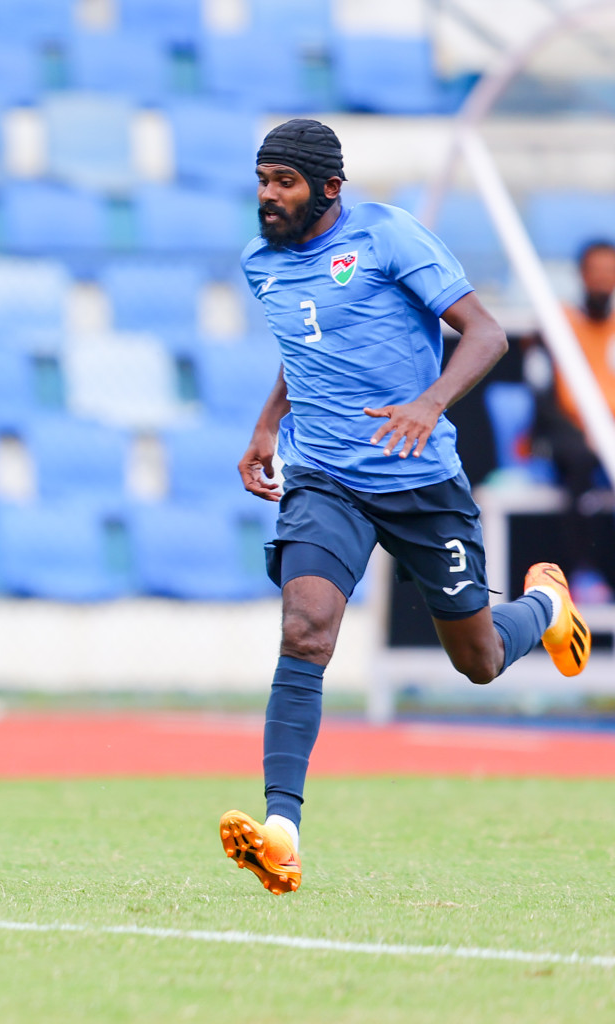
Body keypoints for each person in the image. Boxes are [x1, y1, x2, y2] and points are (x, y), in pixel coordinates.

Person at [219, 119, 589, 895]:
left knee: (479, 661)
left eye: (284, 182)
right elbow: (306, 347)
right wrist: (267, 423)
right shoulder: (261, 264)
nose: (268, 197)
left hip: (419, 478)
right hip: (325, 476)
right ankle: (281, 831)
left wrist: (429, 402)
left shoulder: (392, 238)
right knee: (306, 628)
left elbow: (487, 336)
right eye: (263, 181)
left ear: (329, 188)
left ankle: (546, 604)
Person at [527, 239, 615, 599]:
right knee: (578, 459)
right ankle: (581, 572)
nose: (602, 280)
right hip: (566, 431)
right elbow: (541, 394)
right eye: (595, 272)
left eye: (609, 273)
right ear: (581, 275)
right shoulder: (557, 323)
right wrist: (585, 432)